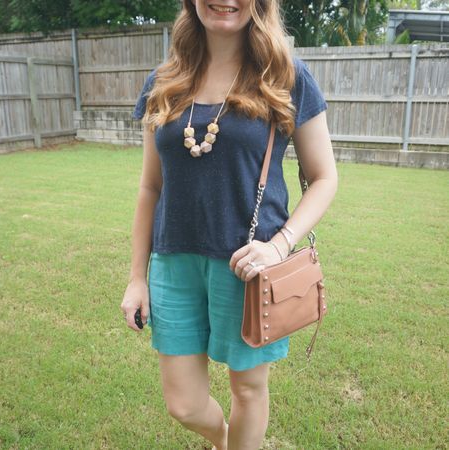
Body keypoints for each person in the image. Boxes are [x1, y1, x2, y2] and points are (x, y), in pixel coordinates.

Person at [120, 1, 337, 449]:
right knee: (183, 404)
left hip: (249, 267)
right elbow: (149, 188)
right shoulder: (163, 82)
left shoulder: (285, 76)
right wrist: (136, 278)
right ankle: (222, 439)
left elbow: (324, 178)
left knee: (248, 388)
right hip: (173, 261)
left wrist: (279, 246)